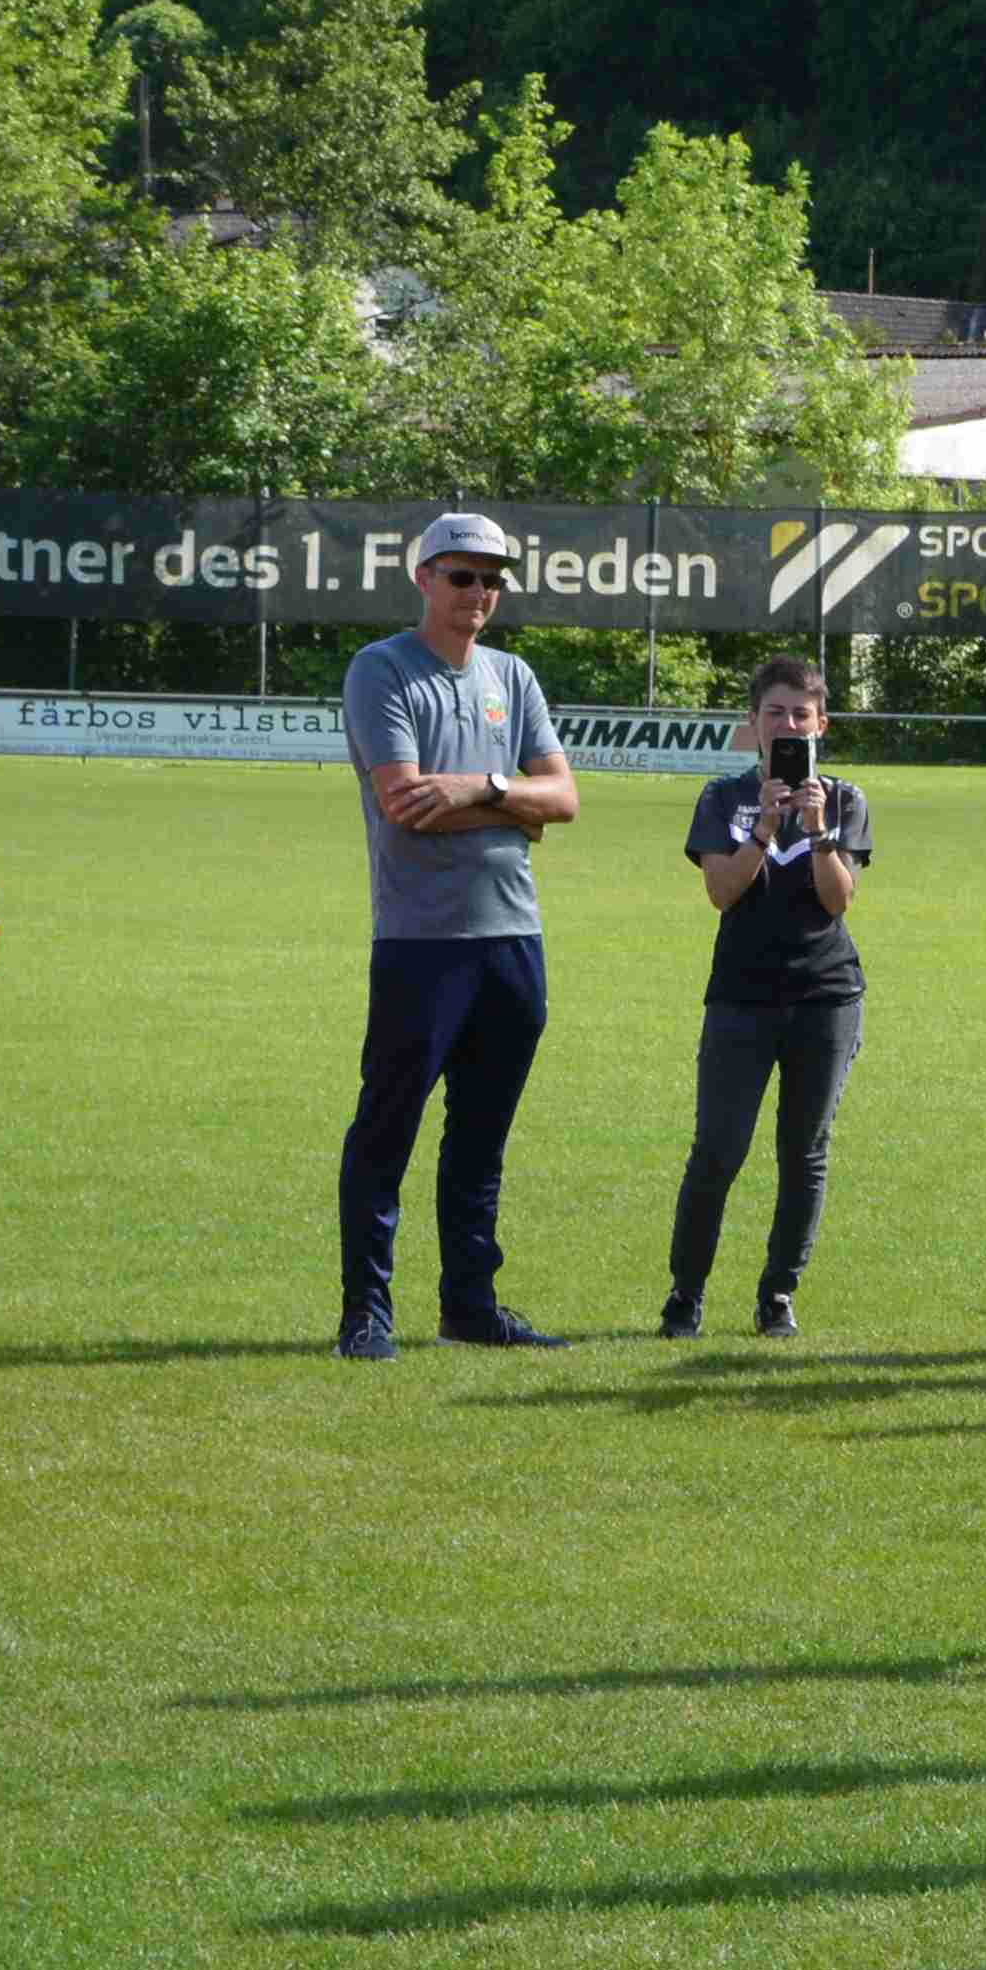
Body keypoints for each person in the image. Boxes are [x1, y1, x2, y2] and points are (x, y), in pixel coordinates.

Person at [335, 512, 578, 1356]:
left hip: (513, 938)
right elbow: (406, 804)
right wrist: (515, 810)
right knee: (387, 1130)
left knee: (482, 1137)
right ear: (425, 578)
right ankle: (366, 1313)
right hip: (421, 942)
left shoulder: (513, 675)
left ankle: (470, 1308)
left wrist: (479, 789)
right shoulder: (382, 669)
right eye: (463, 576)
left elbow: (564, 798)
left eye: (493, 579)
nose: (480, 592)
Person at [665, 656, 869, 1341]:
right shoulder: (723, 798)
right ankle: (685, 1296)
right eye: (775, 713)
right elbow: (723, 893)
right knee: (717, 1150)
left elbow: (837, 901)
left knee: (803, 1152)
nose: (788, 725)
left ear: (821, 724)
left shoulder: (843, 799)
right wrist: (763, 827)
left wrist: (816, 829)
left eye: (801, 715)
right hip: (741, 998)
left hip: (826, 997)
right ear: (751, 724)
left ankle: (778, 1295)